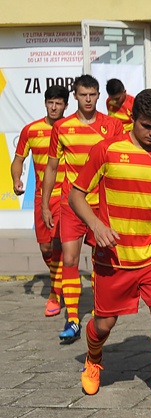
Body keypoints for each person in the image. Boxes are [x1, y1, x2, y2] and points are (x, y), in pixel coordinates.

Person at [67, 88, 151, 418]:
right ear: (132, 120)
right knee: (103, 324)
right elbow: (77, 196)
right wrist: (96, 225)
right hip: (113, 255)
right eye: (147, 126)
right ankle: (93, 356)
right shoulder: (106, 150)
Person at [42, 75, 125, 343]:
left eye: (92, 94)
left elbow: (121, 166)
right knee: (69, 259)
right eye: (83, 95)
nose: (88, 99)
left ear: (99, 96)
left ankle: (100, 311)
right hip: (71, 204)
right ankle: (74, 319)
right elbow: (52, 168)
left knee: (101, 264)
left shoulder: (112, 126)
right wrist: (45, 204)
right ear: (75, 97)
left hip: (102, 206)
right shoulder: (62, 128)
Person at [11, 85, 69, 318]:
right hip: (42, 198)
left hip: (68, 197)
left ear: (66, 105)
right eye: (50, 103)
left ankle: (55, 294)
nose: (54, 107)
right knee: (46, 247)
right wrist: (16, 179)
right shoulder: (31, 130)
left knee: (63, 245)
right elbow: (18, 160)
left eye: (59, 103)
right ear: (45, 103)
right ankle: (60, 281)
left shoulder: (71, 129)